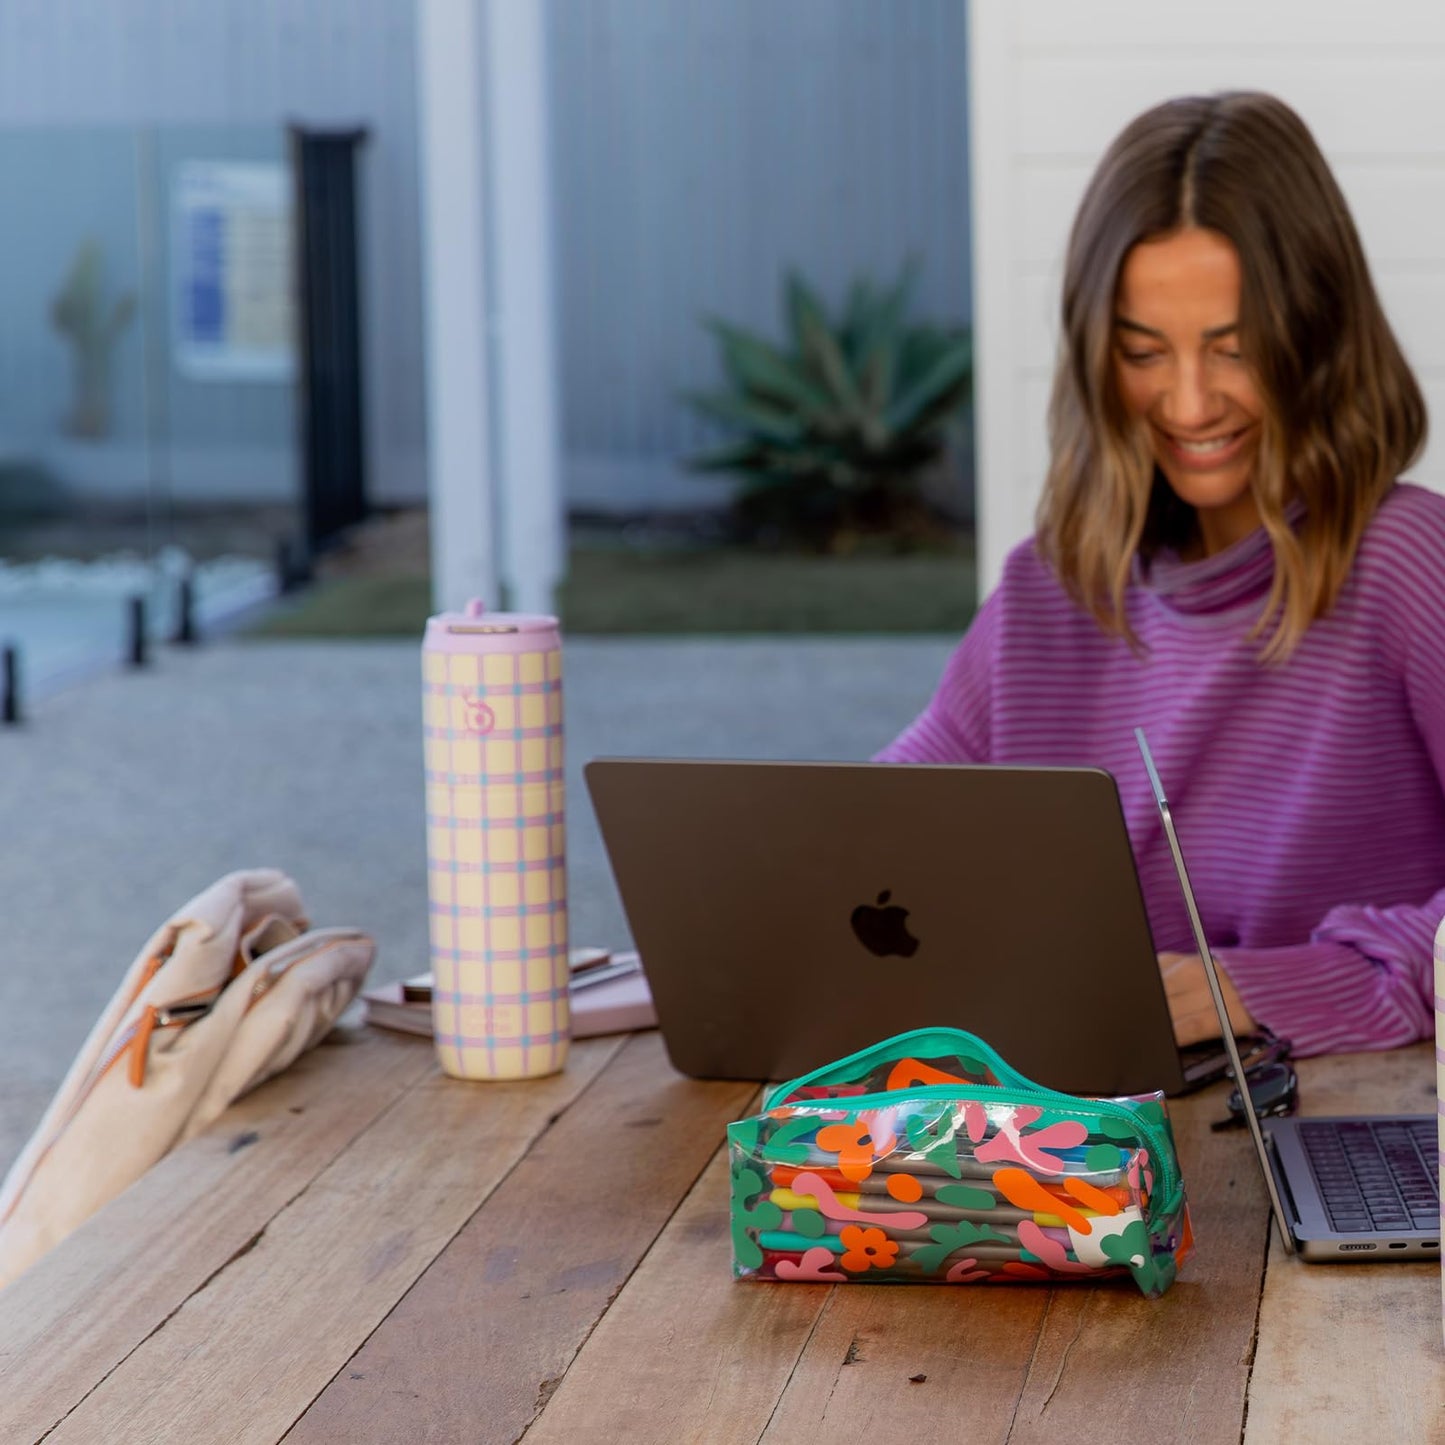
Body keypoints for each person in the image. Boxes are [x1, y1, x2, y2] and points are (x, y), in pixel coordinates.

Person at [877, 91, 1445, 1058]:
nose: (1187, 404)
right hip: (1090, 1114)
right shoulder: (1051, 589)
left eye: (1234, 350)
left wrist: (1265, 985)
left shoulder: (1407, 561)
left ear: (1316, 337)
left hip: (1329, 1108)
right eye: (1143, 352)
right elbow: (869, 845)